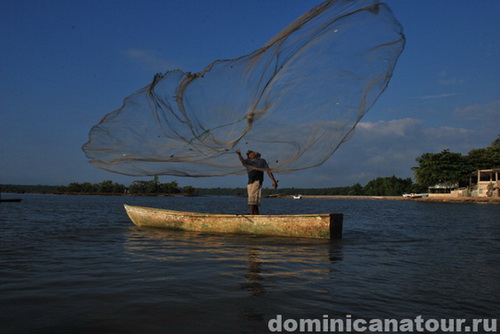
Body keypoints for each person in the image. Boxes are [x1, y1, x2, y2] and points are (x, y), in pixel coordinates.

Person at [236, 149, 278, 215]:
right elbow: (242, 161)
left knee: (252, 200)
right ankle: (256, 215)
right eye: (249, 154)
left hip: (257, 181)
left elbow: (268, 171)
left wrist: (274, 181)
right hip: (250, 183)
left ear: (256, 154)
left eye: (252, 153)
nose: (251, 154)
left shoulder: (261, 161)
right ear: (248, 156)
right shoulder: (248, 162)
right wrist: (239, 154)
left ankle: (251, 215)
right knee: (253, 201)